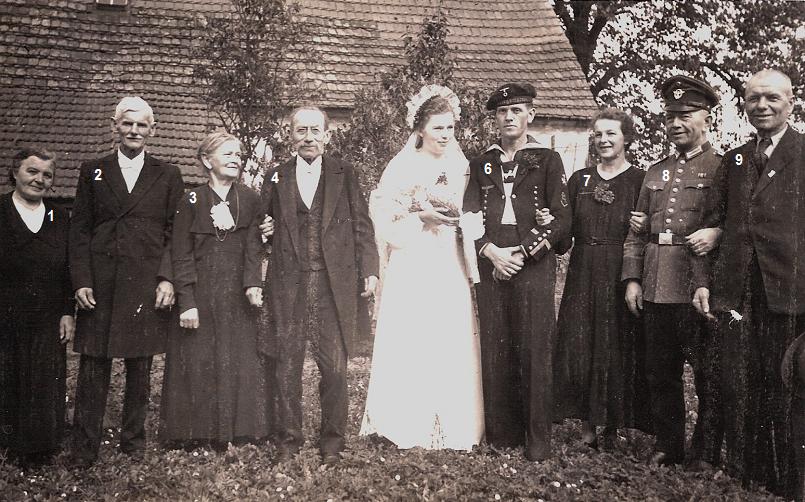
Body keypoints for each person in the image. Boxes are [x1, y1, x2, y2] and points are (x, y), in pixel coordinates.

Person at [693, 69, 804, 498]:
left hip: (790, 293)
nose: (762, 106)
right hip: (739, 294)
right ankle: (754, 474)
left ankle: (794, 482)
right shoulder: (735, 159)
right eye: (754, 98)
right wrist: (703, 282)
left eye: (772, 98)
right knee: (746, 383)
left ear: (791, 103)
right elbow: (712, 223)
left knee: (789, 386)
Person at [359, 86, 484, 450]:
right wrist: (419, 216)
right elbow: (383, 218)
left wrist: (466, 223)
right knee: (413, 332)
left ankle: (453, 420)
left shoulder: (461, 167)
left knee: (448, 332)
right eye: (438, 128)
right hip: (414, 258)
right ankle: (404, 420)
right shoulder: (401, 167)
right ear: (420, 129)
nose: (446, 135)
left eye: (450, 128)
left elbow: (474, 211)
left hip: (448, 258)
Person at [69, 97, 185, 465]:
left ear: (153, 130)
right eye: (127, 124)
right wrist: (81, 280)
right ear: (114, 126)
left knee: (140, 367)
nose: (134, 131)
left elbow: (175, 232)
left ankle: (133, 443)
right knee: (93, 365)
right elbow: (80, 231)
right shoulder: (93, 171)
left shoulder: (168, 174)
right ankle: (84, 448)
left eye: (142, 125)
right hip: (102, 283)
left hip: (144, 282)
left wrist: (167, 278)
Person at [260, 105, 379, 465]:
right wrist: (265, 232)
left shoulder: (345, 173)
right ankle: (288, 440)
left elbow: (362, 225)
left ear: (327, 135)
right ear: (290, 135)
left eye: (315, 130)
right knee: (287, 366)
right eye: (301, 131)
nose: (308, 137)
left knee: (335, 367)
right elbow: (261, 225)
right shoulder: (276, 175)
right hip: (288, 285)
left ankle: (332, 443)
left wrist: (370, 269)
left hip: (332, 287)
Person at [463, 83, 571, 461]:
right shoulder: (481, 163)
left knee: (534, 347)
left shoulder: (547, 159)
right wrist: (491, 253)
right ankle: (502, 435)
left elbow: (561, 217)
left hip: (532, 262)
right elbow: (470, 216)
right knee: (497, 343)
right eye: (502, 112)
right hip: (493, 260)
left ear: (531, 116)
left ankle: (537, 439)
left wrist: (524, 253)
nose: (508, 118)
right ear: (495, 119)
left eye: (516, 111)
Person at [622, 75, 724, 468]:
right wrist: (632, 278)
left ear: (706, 119)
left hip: (698, 286)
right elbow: (637, 232)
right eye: (670, 117)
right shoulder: (654, 172)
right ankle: (669, 444)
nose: (676, 123)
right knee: (660, 372)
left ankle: (704, 451)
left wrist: (715, 234)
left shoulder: (721, 167)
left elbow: (731, 227)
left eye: (685, 115)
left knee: (705, 376)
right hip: (656, 283)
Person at [160, 132, 270, 446]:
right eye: (227, 154)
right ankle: (194, 434)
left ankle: (237, 431)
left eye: (239, 154)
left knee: (236, 358)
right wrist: (187, 301)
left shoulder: (249, 198)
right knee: (198, 359)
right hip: (201, 290)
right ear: (207, 161)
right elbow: (180, 252)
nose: (236, 158)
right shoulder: (190, 199)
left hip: (236, 292)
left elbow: (253, 246)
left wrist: (252, 283)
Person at [553, 108, 652, 448]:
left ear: (627, 138)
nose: (603, 140)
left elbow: (649, 230)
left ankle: (613, 427)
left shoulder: (641, 179)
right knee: (581, 343)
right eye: (598, 134)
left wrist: (647, 225)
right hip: (583, 268)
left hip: (618, 270)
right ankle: (586, 427)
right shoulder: (579, 180)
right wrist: (550, 222)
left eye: (611, 133)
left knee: (615, 342)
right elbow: (564, 234)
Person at [0, 148, 74, 467]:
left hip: (47, 313)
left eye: (47, 175)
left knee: (45, 376)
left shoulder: (59, 216)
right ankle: (7, 442)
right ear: (14, 172)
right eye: (32, 171)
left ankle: (40, 445)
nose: (39, 179)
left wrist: (67, 311)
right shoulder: (1, 210)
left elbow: (69, 269)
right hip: (5, 312)